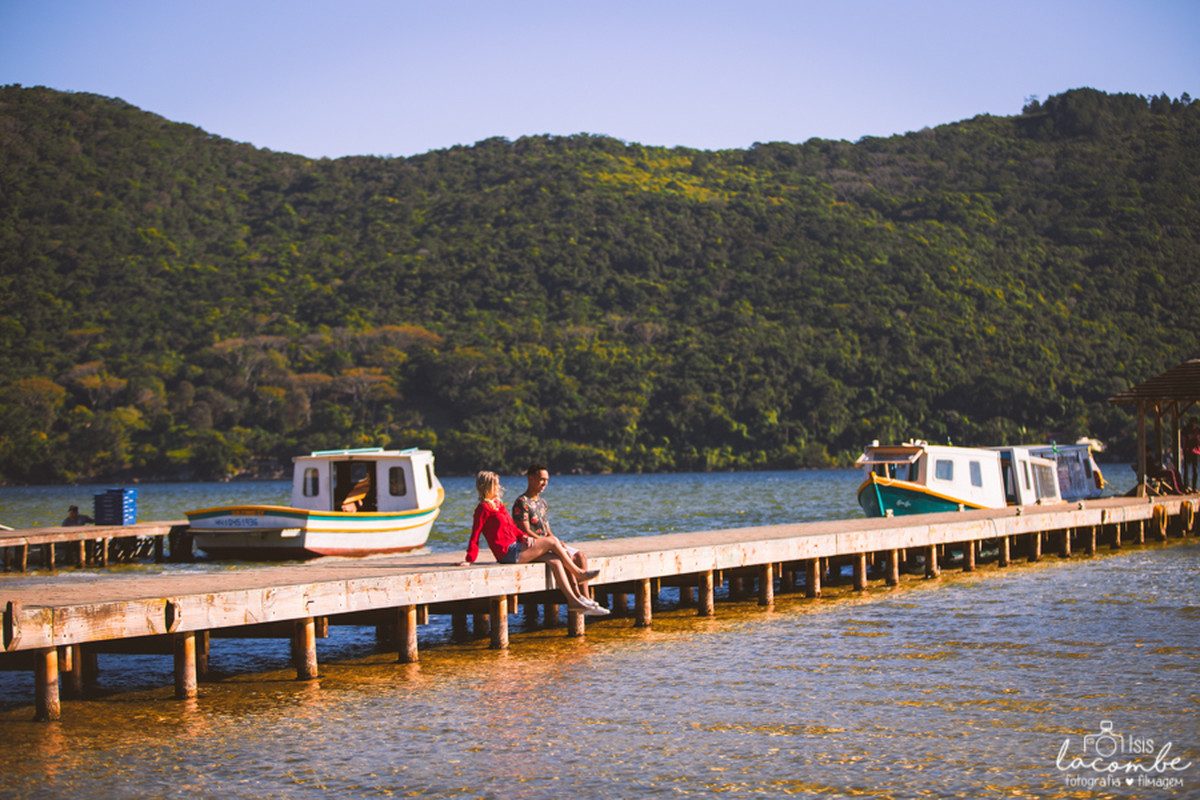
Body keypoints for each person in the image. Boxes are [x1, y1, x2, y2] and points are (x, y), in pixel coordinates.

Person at [457, 471, 608, 616]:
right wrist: (469, 559)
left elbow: (512, 528)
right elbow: (475, 534)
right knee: (552, 541)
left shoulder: (498, 506)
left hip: (517, 547)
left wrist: (524, 537)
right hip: (507, 552)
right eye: (496, 484)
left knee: (555, 561)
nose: (499, 487)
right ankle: (578, 573)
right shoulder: (482, 509)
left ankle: (574, 601)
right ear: (488, 486)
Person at [512, 463, 592, 599]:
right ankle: (577, 597)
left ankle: (587, 598)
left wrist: (557, 542)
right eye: (542, 479)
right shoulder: (522, 502)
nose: (545, 483)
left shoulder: (542, 503)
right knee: (566, 555)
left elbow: (547, 530)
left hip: (549, 543)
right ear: (531, 478)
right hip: (533, 546)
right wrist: (549, 543)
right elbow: (525, 530)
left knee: (580, 556)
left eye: (547, 480)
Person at [1183, 419, 1200, 491]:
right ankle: (1186, 486)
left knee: (1195, 470)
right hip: (1188, 452)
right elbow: (1185, 440)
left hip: (1196, 452)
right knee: (1186, 470)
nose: (1194, 424)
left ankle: (1194, 487)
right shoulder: (1186, 430)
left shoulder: (1198, 430)